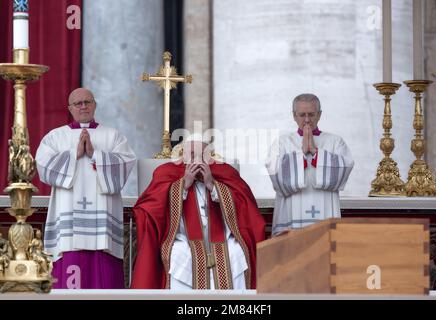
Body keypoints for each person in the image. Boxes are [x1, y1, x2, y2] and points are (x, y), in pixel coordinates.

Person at [131, 135, 266, 289]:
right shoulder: (166, 173)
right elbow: (149, 207)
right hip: (183, 239)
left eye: (202, 155)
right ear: (183, 155)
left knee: (235, 252)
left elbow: (245, 205)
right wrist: (183, 185)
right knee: (178, 255)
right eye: (192, 155)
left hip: (223, 238)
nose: (197, 161)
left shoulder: (225, 172)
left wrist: (213, 185)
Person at [35, 88, 136, 289]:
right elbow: (43, 166)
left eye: (87, 102)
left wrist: (95, 154)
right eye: (78, 103)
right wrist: (75, 153)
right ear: (70, 108)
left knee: (104, 274)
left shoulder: (113, 136)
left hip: (103, 228)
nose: (83, 106)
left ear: (95, 105)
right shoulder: (55, 137)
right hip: (69, 224)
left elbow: (126, 163)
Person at [266, 93, 354, 236]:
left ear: (319, 115)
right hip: (291, 216)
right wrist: (302, 153)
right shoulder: (282, 142)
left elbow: (343, 169)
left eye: (311, 115)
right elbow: (275, 172)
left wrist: (314, 152)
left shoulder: (335, 141)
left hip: (325, 214)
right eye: (302, 115)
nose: (307, 120)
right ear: (294, 115)